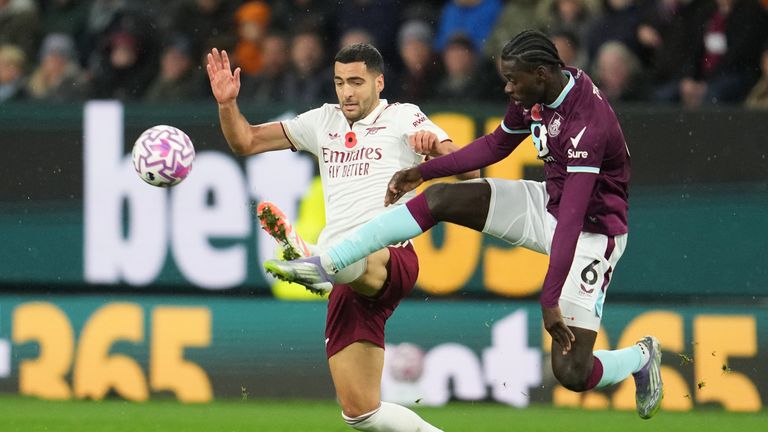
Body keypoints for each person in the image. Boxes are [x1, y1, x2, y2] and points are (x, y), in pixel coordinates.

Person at [265, 29, 664, 420]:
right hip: (545, 202)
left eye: (512, 80)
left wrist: (549, 300)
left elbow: (573, 221)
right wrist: (424, 173)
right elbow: (495, 145)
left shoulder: (586, 124)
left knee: (572, 372)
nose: (508, 89)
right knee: (440, 198)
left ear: (540, 74)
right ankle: (327, 263)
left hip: (592, 234)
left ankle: (640, 357)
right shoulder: (540, 91)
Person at [208, 43, 477, 432]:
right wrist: (226, 105)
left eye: (356, 82)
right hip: (347, 282)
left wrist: (435, 150)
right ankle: (322, 262)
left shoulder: (403, 117)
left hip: (390, 256)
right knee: (361, 413)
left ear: (379, 82)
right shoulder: (323, 122)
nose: (347, 92)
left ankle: (317, 259)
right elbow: (245, 141)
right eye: (339, 82)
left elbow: (466, 170)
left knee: (350, 252)